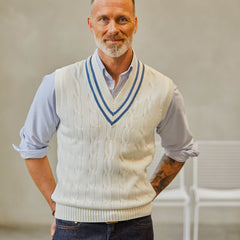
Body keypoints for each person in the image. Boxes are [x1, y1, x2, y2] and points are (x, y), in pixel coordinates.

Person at [13, 0, 198, 239]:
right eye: (103, 19)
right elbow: (31, 148)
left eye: (122, 19)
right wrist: (57, 208)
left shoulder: (163, 88)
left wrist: (145, 194)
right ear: (91, 25)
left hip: (136, 226)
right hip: (74, 225)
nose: (113, 29)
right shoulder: (58, 83)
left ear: (135, 24)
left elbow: (180, 149)